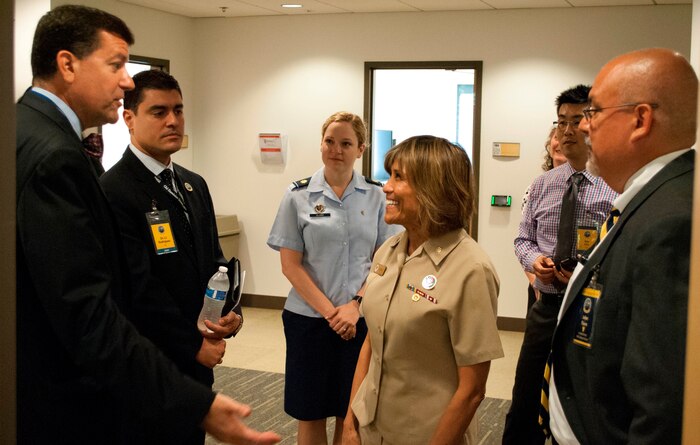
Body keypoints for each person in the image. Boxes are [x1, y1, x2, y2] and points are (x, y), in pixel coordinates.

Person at [15, 5, 279, 444]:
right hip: (74, 391)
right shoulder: (59, 158)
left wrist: (223, 315)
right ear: (67, 64)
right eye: (116, 64)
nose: (125, 79)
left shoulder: (24, 130)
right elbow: (93, 306)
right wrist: (197, 401)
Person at [548, 48, 696, 445]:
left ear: (640, 120)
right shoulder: (653, 200)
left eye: (593, 112)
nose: (582, 128)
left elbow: (662, 401)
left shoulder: (671, 221)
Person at [100, 69, 244, 444]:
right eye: (159, 111)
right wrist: (194, 345)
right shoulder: (115, 191)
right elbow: (138, 288)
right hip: (152, 364)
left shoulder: (192, 184)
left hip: (197, 363)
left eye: (178, 110)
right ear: (129, 119)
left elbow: (214, 261)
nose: (173, 121)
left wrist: (231, 313)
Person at [342, 135, 504, 444]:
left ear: (434, 189)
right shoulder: (389, 251)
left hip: (427, 435)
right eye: (389, 176)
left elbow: (472, 391)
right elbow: (371, 342)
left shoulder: (471, 269)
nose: (386, 187)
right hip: (371, 427)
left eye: (399, 177)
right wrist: (351, 420)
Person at [267, 111, 398, 444]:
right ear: (321, 144)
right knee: (310, 412)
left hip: (361, 319)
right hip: (309, 320)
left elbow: (385, 261)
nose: (336, 149)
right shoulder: (297, 196)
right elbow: (290, 265)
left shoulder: (378, 195)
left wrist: (355, 305)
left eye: (346, 143)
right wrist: (332, 313)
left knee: (349, 412)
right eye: (329, 141)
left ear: (361, 149)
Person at [503, 85, 617, 445]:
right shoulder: (544, 185)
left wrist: (587, 271)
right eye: (561, 122)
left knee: (583, 398)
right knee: (525, 394)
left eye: (577, 121)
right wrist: (534, 261)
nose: (567, 131)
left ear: (594, 124)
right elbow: (523, 239)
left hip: (591, 311)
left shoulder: (616, 186)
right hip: (547, 305)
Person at [522, 126, 567, 312]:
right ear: (549, 145)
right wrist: (534, 281)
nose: (560, 143)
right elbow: (525, 239)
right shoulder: (536, 188)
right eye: (556, 138)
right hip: (540, 286)